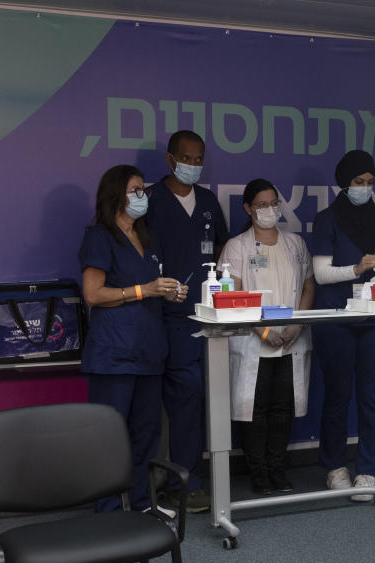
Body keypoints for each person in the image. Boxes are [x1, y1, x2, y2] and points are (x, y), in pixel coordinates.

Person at [78, 165, 188, 512]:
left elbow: (149, 288)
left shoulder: (147, 236)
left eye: (144, 191)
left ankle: (141, 503)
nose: (143, 197)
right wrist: (145, 290)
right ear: (117, 195)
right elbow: (93, 295)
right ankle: (107, 509)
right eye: (136, 190)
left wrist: (166, 292)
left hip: (149, 351)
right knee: (109, 436)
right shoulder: (99, 236)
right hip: (114, 354)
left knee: (146, 434)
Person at [311, 149, 375, 499]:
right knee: (337, 396)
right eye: (358, 182)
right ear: (344, 184)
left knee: (372, 397)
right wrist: (357, 269)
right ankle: (335, 467)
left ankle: (367, 469)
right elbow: (321, 274)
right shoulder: (326, 219)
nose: (365, 188)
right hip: (336, 317)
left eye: (370, 182)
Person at [146, 130, 230, 513]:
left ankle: (190, 478)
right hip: (166, 318)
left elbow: (221, 251)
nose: (192, 165)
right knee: (183, 397)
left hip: (208, 316)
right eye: (186, 158)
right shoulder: (149, 201)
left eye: (198, 159)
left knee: (199, 399)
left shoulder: (209, 202)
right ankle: (183, 481)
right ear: (169, 158)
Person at [218, 179, 315, 495]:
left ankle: (278, 469)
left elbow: (309, 285)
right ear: (248, 208)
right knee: (255, 411)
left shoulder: (295, 244)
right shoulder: (237, 246)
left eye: (274, 202)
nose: (269, 209)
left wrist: (296, 325)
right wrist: (262, 330)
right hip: (253, 340)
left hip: (291, 338)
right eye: (261, 204)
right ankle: (258, 473)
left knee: (281, 409)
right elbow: (230, 293)